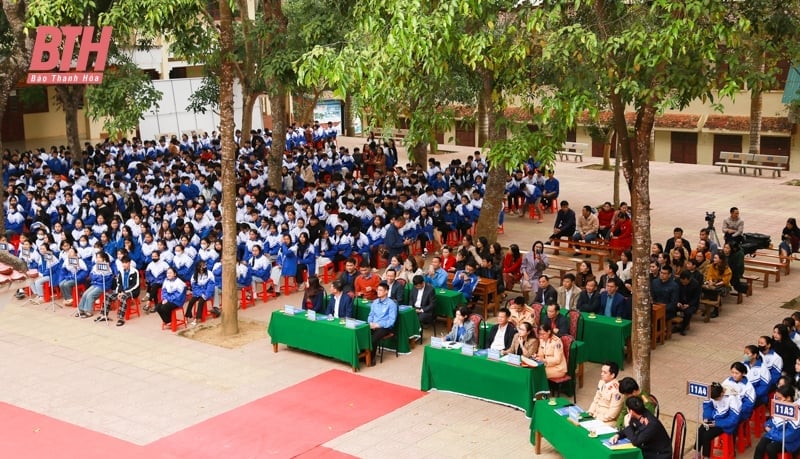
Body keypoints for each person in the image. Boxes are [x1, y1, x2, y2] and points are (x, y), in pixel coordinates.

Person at [608, 396, 672, 459]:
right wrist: (618, 435)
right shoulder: (638, 414)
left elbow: (636, 441)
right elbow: (631, 429)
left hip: (659, 455)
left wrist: (627, 425)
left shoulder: (651, 424)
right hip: (648, 449)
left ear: (631, 411)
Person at [753, 384, 800, 459]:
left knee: (771, 448)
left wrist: (771, 431)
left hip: (790, 441)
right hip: (775, 435)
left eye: (779, 398)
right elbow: (772, 421)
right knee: (760, 447)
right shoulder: (780, 406)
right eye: (776, 398)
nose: (777, 400)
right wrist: (767, 425)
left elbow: (789, 436)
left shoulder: (796, 412)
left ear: (788, 398)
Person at [696, 382, 740, 459]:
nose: (715, 400)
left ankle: (706, 457)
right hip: (714, 420)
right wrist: (706, 418)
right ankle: (697, 453)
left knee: (706, 435)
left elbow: (733, 419)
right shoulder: (711, 392)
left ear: (722, 393)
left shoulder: (732, 398)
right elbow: (707, 406)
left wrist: (717, 423)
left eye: (717, 399)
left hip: (725, 424)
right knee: (700, 430)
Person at [96, 255, 140, 326]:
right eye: (123, 263)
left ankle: (121, 318)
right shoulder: (121, 271)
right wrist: (119, 292)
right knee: (108, 295)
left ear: (129, 263)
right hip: (121, 291)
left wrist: (124, 292)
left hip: (132, 291)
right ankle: (103, 315)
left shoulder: (135, 272)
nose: (124, 264)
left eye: (126, 263)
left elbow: (135, 285)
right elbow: (119, 283)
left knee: (123, 297)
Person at [76, 252, 114, 319]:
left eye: (99, 257)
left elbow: (105, 279)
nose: (98, 259)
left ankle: (89, 311)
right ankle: (81, 309)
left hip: (103, 285)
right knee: (85, 294)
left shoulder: (107, 267)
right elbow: (91, 276)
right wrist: (97, 277)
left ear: (104, 258)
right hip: (95, 283)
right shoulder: (95, 266)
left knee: (90, 295)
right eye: (97, 257)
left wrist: (97, 277)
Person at [367, 282, 397, 362]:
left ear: (386, 291)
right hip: (373, 325)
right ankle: (364, 356)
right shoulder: (375, 302)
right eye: (378, 290)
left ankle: (371, 358)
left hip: (385, 327)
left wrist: (379, 325)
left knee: (373, 339)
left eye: (380, 290)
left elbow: (391, 321)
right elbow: (371, 315)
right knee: (362, 334)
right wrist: (370, 322)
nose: (378, 292)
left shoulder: (391, 304)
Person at [588, 361, 625, 426]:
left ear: (612, 375)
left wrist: (597, 419)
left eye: (605, 372)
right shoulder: (601, 382)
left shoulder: (617, 390)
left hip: (607, 421)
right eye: (601, 371)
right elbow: (596, 400)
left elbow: (613, 412)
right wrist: (590, 413)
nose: (601, 374)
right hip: (595, 415)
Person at [185, 259, 215, 325]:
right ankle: (187, 316)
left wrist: (206, 295)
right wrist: (200, 294)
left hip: (207, 293)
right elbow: (194, 287)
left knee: (201, 302)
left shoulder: (210, 274)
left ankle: (197, 318)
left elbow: (211, 286)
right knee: (191, 301)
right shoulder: (194, 275)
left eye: (203, 267)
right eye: (200, 267)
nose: (201, 269)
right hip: (198, 293)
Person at [674, 271, 700, 335]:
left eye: (685, 282)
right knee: (671, 307)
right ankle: (674, 325)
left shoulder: (695, 284)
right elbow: (675, 294)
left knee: (688, 312)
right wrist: (677, 302)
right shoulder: (677, 281)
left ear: (689, 279)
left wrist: (688, 305)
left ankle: (683, 328)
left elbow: (696, 298)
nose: (683, 283)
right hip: (679, 301)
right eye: (682, 282)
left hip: (690, 303)